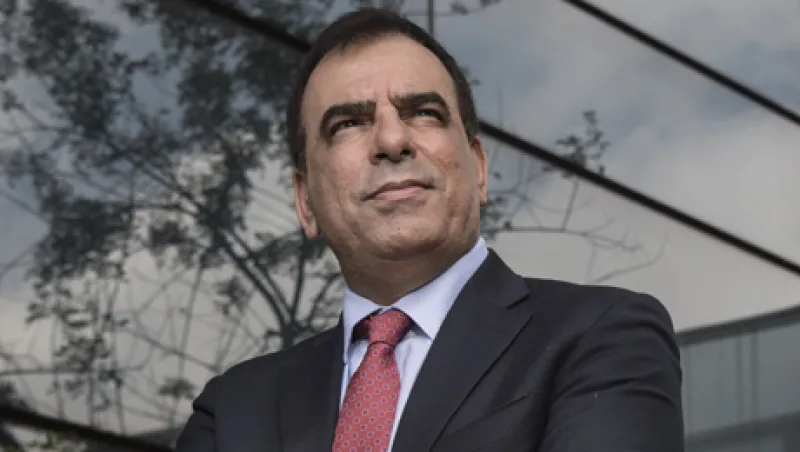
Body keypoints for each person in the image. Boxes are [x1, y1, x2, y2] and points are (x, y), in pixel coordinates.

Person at [175, 7, 684, 452]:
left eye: (423, 112)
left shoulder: (601, 336)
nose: (392, 140)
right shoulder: (234, 413)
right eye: (348, 123)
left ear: (478, 168)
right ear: (305, 200)